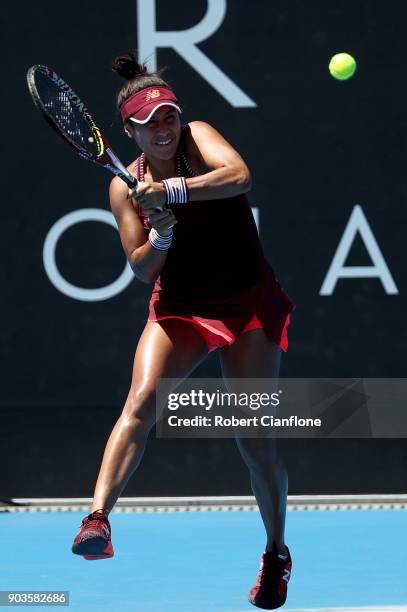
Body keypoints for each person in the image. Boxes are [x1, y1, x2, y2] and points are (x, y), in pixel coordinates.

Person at [72, 51, 295, 610]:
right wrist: (163, 236)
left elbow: (239, 176)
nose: (164, 130)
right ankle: (98, 518)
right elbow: (141, 267)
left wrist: (173, 195)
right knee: (142, 400)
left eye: (168, 116)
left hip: (248, 306)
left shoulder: (198, 138)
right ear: (129, 130)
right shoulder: (125, 188)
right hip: (181, 306)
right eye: (149, 124)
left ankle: (275, 554)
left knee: (255, 441)